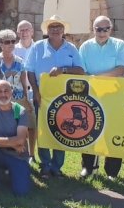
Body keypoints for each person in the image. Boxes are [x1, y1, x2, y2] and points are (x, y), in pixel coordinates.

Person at [26, 15, 85, 178]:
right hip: (42, 96)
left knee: (62, 129)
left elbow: (81, 70)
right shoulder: (37, 47)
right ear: (47, 30)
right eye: (52, 27)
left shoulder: (72, 49)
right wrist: (36, 92)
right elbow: (29, 70)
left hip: (64, 97)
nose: (55, 29)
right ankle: (45, 165)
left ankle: (57, 165)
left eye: (58, 27)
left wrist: (63, 70)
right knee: (43, 130)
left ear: (63, 30)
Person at [78, 16, 124, 180]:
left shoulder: (120, 45)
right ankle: (89, 167)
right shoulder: (85, 47)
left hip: (114, 95)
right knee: (88, 129)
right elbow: (82, 70)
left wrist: (98, 77)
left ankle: (112, 172)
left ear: (111, 29)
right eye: (98, 29)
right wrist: (93, 80)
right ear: (93, 29)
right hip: (92, 95)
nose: (102, 32)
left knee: (113, 131)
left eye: (105, 29)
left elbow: (121, 68)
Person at [0, 80, 32, 196]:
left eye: (6, 91)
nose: (3, 94)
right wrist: (12, 143)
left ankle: (9, 172)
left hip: (18, 155)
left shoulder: (21, 111)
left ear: (12, 92)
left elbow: (21, 140)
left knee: (21, 192)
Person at [0, 28, 31, 133]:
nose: (11, 44)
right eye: (7, 42)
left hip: (18, 100)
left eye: (13, 41)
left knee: (20, 130)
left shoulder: (20, 62)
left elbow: (24, 84)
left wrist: (26, 99)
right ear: (0, 44)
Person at [14, 20, 37, 155]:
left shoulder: (39, 48)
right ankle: (20, 151)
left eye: (27, 30)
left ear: (32, 31)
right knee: (18, 124)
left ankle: (32, 154)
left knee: (32, 125)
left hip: (34, 91)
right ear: (17, 32)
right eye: (21, 30)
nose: (24, 33)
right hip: (18, 92)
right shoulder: (13, 49)